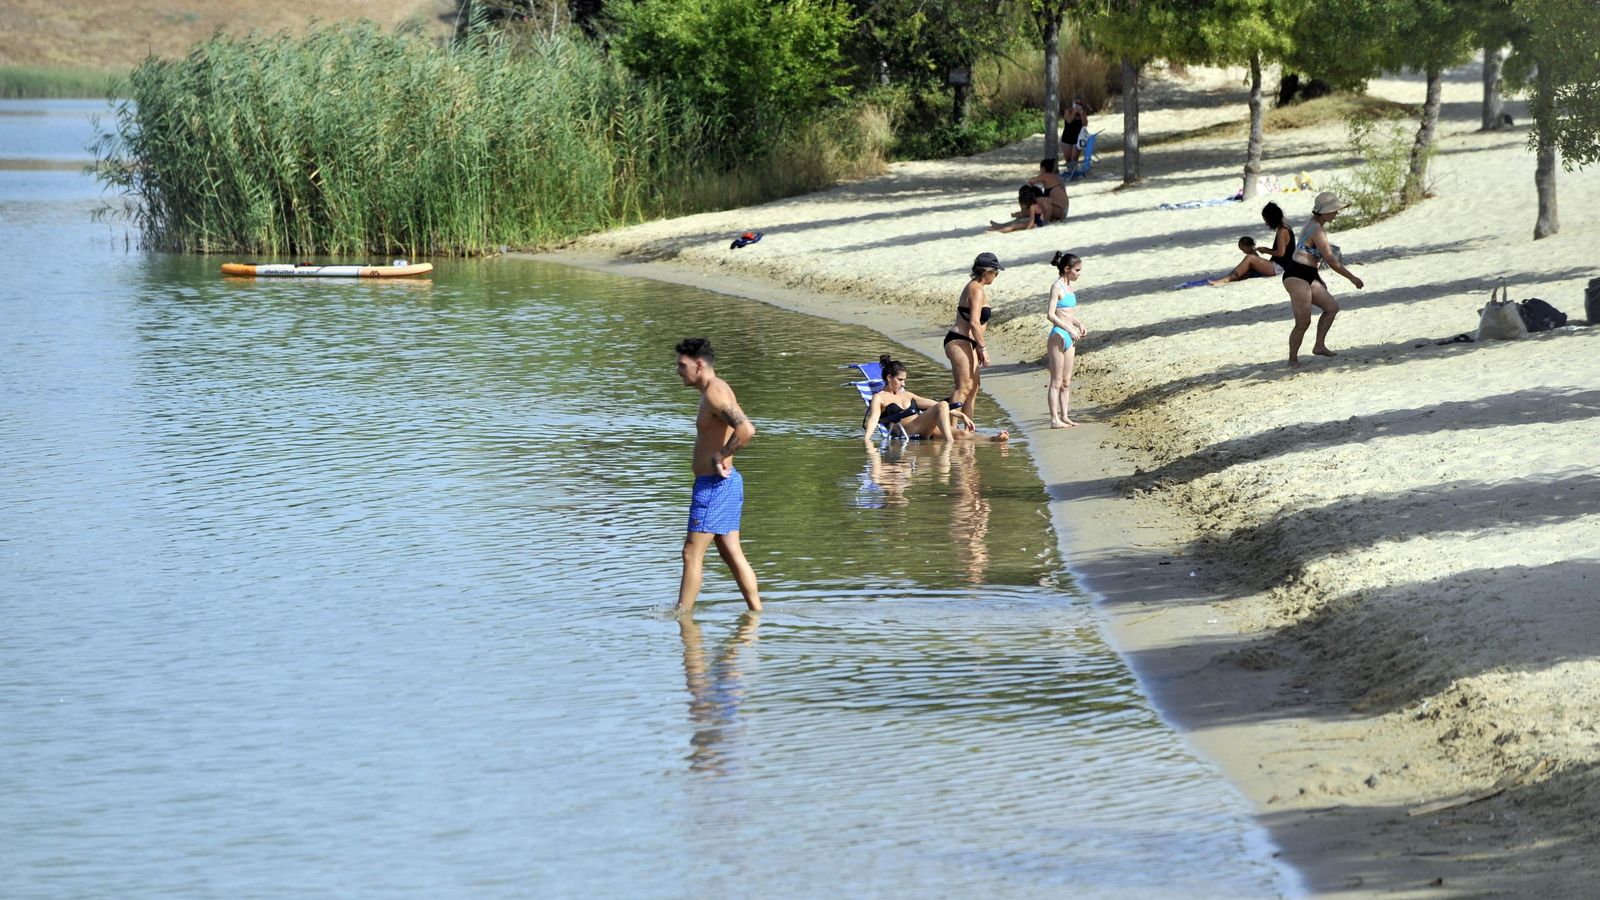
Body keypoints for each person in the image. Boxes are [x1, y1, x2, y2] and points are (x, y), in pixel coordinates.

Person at [674, 337, 761, 613]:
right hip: (720, 485)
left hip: (714, 487)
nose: (678, 371)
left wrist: (720, 455)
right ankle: (756, 614)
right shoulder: (715, 389)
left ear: (698, 365)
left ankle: (682, 617)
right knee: (730, 552)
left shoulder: (715, 392)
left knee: (691, 552)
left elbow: (746, 429)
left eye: (682, 365)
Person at [1271, 193, 1364, 367]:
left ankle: (1319, 345)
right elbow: (1331, 260)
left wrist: (1317, 278)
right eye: (1334, 211)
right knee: (1303, 322)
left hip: (1309, 273)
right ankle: (1292, 359)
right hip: (1296, 275)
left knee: (1331, 307)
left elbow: (1313, 257)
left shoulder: (1315, 224)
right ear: (1324, 212)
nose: (1336, 214)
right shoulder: (1316, 229)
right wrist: (1352, 278)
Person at [863, 354, 1009, 442]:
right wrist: (867, 440)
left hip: (924, 427)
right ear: (889, 377)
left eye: (904, 380)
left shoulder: (907, 395)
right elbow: (874, 418)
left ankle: (994, 439)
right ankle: (949, 444)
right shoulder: (879, 397)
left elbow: (934, 404)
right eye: (900, 380)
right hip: (906, 431)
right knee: (942, 406)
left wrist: (961, 415)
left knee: (963, 433)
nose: (903, 383)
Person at [945, 252, 1000, 419]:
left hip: (969, 342)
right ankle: (951, 429)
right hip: (959, 341)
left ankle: (968, 428)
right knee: (963, 387)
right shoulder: (975, 289)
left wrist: (977, 347)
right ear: (986, 272)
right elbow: (975, 323)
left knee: (974, 387)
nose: (996, 276)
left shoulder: (977, 288)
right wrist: (983, 349)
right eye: (995, 272)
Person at [1044, 251, 1088, 428]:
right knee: (1056, 381)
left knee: (1066, 381)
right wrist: (1068, 328)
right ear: (1066, 269)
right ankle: (1054, 419)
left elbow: (1068, 313)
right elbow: (1050, 314)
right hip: (1058, 335)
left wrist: (1078, 323)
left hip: (1070, 336)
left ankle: (1065, 416)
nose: (1079, 273)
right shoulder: (1057, 286)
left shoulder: (1069, 287)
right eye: (1077, 270)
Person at [989, 159, 1067, 233]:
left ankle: (999, 228)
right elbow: (1060, 206)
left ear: (1043, 168)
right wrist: (1061, 218)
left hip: (1046, 218)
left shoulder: (1046, 176)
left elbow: (1031, 181)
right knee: (1021, 220)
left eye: (1040, 168)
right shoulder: (1056, 179)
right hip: (1062, 211)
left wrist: (1027, 228)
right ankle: (1000, 226)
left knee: (1017, 224)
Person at [1207, 236, 1279, 285]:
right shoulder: (1252, 253)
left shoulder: (1253, 254)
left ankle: (1226, 279)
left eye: (1243, 249)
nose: (1243, 252)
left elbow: (1253, 268)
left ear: (1249, 246)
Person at [1061, 98, 1089, 168]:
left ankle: (1074, 173)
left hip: (1077, 138)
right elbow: (1069, 120)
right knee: (1068, 159)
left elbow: (1085, 124)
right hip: (1067, 137)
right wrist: (1074, 111)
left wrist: (1081, 114)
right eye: (1076, 103)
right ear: (1073, 103)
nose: (1078, 105)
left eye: (1080, 104)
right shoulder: (1068, 111)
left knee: (1074, 159)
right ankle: (1070, 172)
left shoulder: (1083, 112)